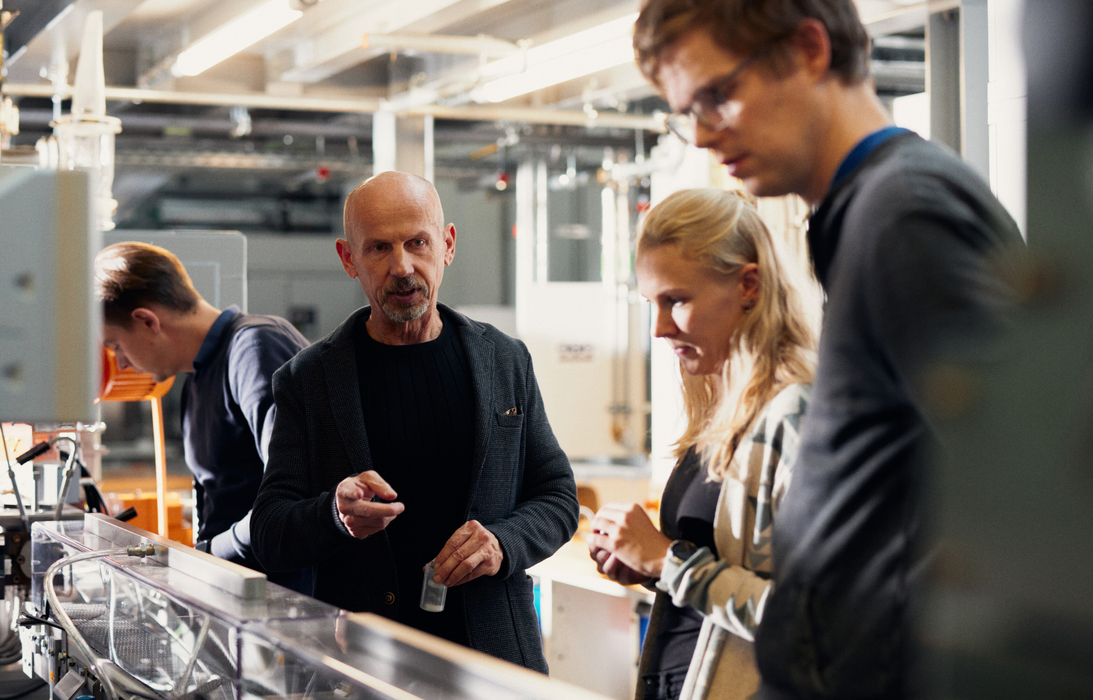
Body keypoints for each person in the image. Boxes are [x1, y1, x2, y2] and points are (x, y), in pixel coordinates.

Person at [634, 1, 1023, 697]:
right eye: (687, 110)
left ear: (810, 50)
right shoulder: (863, 219)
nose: (701, 135)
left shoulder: (904, 218)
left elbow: (1018, 501)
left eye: (718, 96)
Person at [250, 171, 578, 672]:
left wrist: (501, 544)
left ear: (446, 245)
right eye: (379, 248)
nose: (401, 267)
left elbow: (557, 496)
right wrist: (332, 516)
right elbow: (271, 530)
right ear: (348, 259)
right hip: (366, 663)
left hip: (495, 657)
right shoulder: (309, 379)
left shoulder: (505, 360)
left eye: (417, 242)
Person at [587, 189, 816, 700]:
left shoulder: (796, 416)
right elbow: (716, 580)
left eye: (677, 300)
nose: (661, 329)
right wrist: (648, 566)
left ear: (749, 286)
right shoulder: (721, 411)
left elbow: (817, 626)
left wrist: (667, 560)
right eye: (652, 303)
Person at [95, 242, 313, 593]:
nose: (119, 363)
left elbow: (297, 496)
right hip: (235, 592)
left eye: (116, 345)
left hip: (284, 600)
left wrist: (205, 555)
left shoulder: (254, 349)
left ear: (147, 321)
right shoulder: (198, 376)